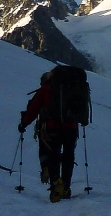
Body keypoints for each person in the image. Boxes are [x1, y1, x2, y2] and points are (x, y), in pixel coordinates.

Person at [19, 70, 79, 203]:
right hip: (72, 127)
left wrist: (24, 123)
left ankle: (56, 185)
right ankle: (66, 187)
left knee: (54, 155)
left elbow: (34, 109)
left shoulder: (46, 88)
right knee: (69, 155)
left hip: (53, 126)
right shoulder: (73, 86)